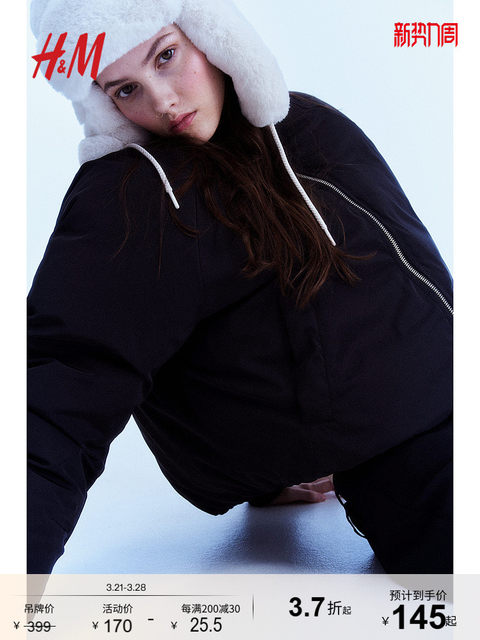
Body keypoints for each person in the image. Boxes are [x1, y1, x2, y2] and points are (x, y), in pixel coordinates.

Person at [28, 0, 453, 575]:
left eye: (165, 56)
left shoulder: (308, 126)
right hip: (410, 469)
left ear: (210, 34)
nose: (163, 101)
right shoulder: (136, 195)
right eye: (125, 89)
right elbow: (59, 394)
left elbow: (413, 283)